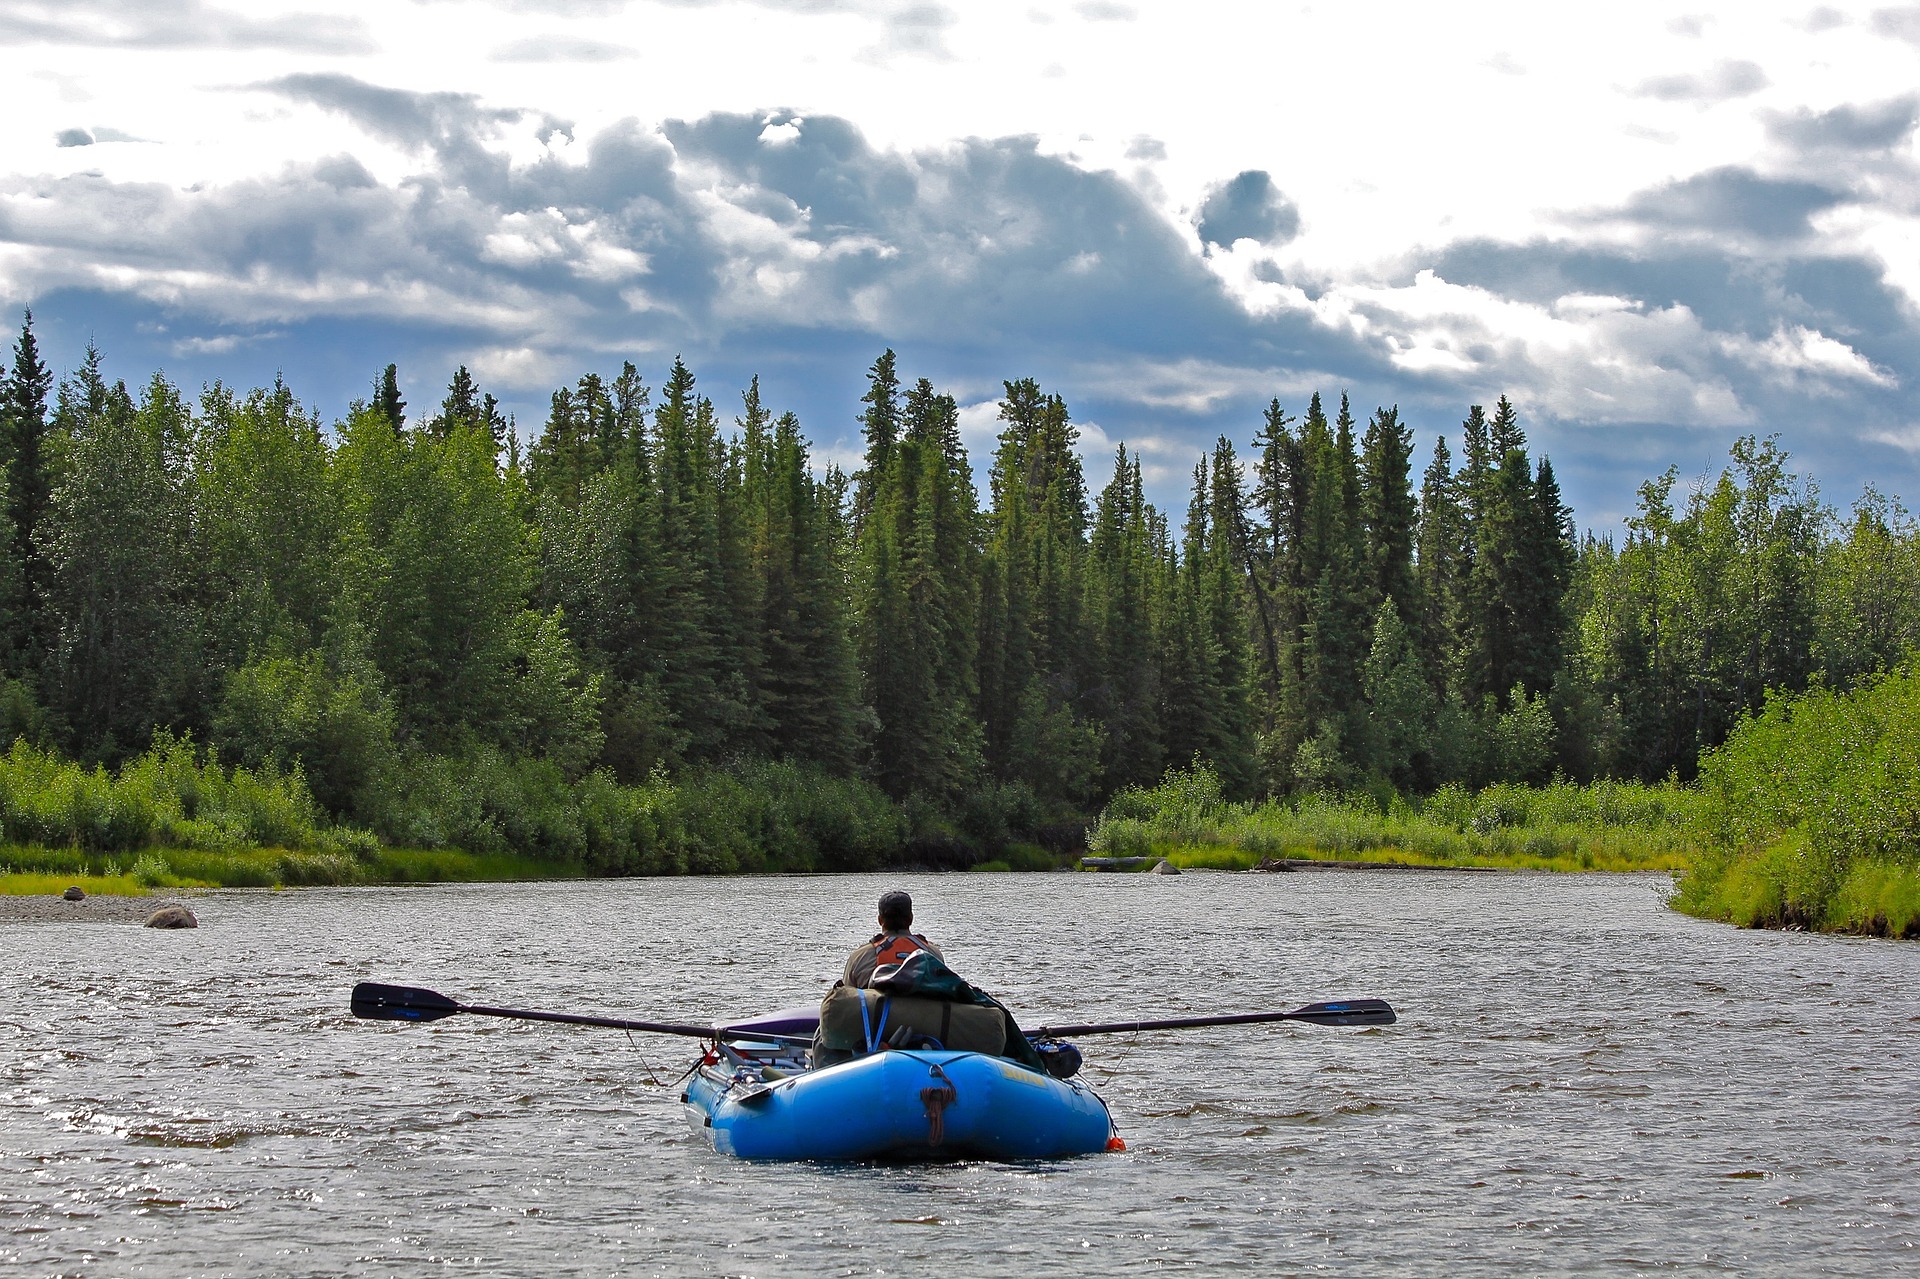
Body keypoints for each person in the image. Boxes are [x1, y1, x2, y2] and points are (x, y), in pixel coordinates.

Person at [842, 889, 943, 989]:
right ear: (911, 918)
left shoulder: (860, 956)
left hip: (878, 1005)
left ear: (880, 920)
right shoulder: (933, 954)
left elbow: (846, 996)